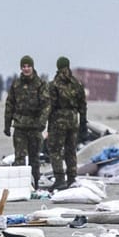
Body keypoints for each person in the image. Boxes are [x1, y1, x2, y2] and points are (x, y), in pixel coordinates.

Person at [3, 56, 50, 191]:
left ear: (32, 67)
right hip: (20, 127)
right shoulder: (16, 84)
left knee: (34, 158)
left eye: (28, 66)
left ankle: (35, 183)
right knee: (19, 158)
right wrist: (7, 124)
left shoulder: (40, 84)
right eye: (23, 66)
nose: (26, 69)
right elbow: (9, 104)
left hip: (35, 127)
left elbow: (46, 105)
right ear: (21, 68)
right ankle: (21, 185)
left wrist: (42, 123)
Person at [45, 57, 87, 190]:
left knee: (55, 149)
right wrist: (83, 122)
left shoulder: (54, 84)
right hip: (73, 120)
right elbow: (83, 105)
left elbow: (50, 106)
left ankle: (59, 179)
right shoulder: (77, 83)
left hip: (59, 121)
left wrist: (46, 123)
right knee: (71, 150)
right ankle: (72, 178)